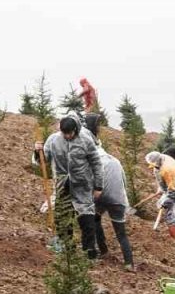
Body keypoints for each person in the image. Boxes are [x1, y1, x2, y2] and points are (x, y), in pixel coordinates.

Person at [35, 114, 105, 257]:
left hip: (82, 185)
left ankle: (89, 250)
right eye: (64, 133)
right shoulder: (53, 140)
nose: (67, 136)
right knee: (62, 217)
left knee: (86, 217)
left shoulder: (86, 141)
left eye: (70, 133)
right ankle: (68, 249)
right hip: (62, 185)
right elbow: (43, 160)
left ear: (76, 129)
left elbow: (97, 164)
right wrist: (38, 151)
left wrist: (98, 186)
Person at [92, 149, 135, 270]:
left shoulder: (95, 161)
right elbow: (124, 182)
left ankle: (103, 250)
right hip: (118, 200)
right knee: (121, 233)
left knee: (95, 220)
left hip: (100, 197)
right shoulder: (116, 161)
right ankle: (129, 263)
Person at [145, 151, 175, 246]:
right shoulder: (160, 160)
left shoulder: (168, 169)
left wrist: (165, 202)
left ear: (158, 161)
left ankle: (174, 244)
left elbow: (172, 191)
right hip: (172, 186)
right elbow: (161, 177)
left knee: (173, 215)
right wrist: (161, 188)